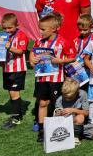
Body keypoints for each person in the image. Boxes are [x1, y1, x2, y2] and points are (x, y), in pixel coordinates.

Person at [32, 13, 76, 142]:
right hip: (41, 78)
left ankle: (58, 128)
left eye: (43, 29)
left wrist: (60, 60)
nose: (40, 32)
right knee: (42, 102)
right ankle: (42, 130)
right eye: (40, 29)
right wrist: (33, 60)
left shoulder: (63, 42)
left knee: (57, 103)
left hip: (56, 79)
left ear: (53, 29)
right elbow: (33, 53)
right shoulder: (39, 41)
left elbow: (72, 57)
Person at [0, 13, 30, 129]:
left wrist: (9, 47)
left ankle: (16, 118)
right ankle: (17, 114)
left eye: (10, 28)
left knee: (14, 92)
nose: (7, 30)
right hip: (7, 68)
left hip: (18, 69)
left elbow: (21, 51)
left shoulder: (22, 35)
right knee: (11, 92)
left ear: (17, 25)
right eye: (5, 28)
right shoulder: (3, 36)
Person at [54, 79, 93, 143]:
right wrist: (59, 113)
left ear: (77, 91)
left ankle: (78, 134)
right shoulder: (59, 100)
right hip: (67, 125)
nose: (67, 99)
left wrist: (73, 110)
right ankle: (75, 137)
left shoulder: (82, 94)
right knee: (80, 118)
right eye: (65, 97)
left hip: (84, 125)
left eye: (70, 97)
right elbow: (58, 119)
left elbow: (86, 113)